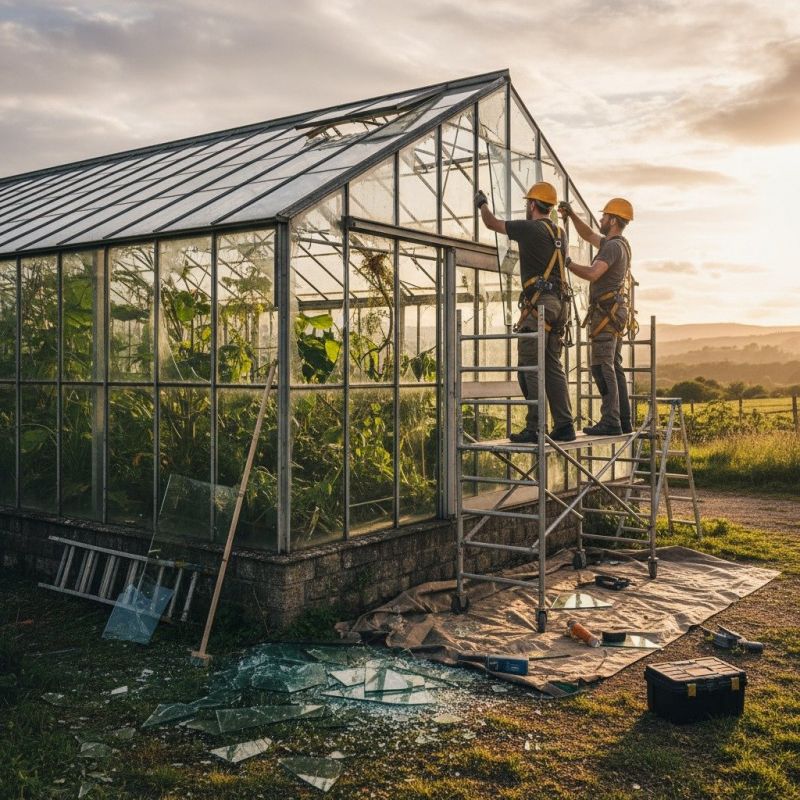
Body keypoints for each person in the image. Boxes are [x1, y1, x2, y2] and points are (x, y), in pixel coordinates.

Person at [475, 182, 575, 442]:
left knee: (529, 366)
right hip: (559, 305)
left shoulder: (530, 228)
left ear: (532, 205)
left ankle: (535, 427)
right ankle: (564, 425)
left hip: (540, 306)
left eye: (527, 203)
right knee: (553, 366)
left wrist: (481, 204)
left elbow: (491, 223)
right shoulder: (560, 232)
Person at [559, 198, 634, 436]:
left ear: (612, 220)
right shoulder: (617, 244)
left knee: (602, 366)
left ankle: (611, 421)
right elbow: (588, 234)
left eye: (603, 217)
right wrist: (570, 215)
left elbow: (593, 274)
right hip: (613, 312)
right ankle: (623, 420)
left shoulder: (611, 247)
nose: (600, 220)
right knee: (613, 365)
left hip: (606, 313)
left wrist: (567, 262)